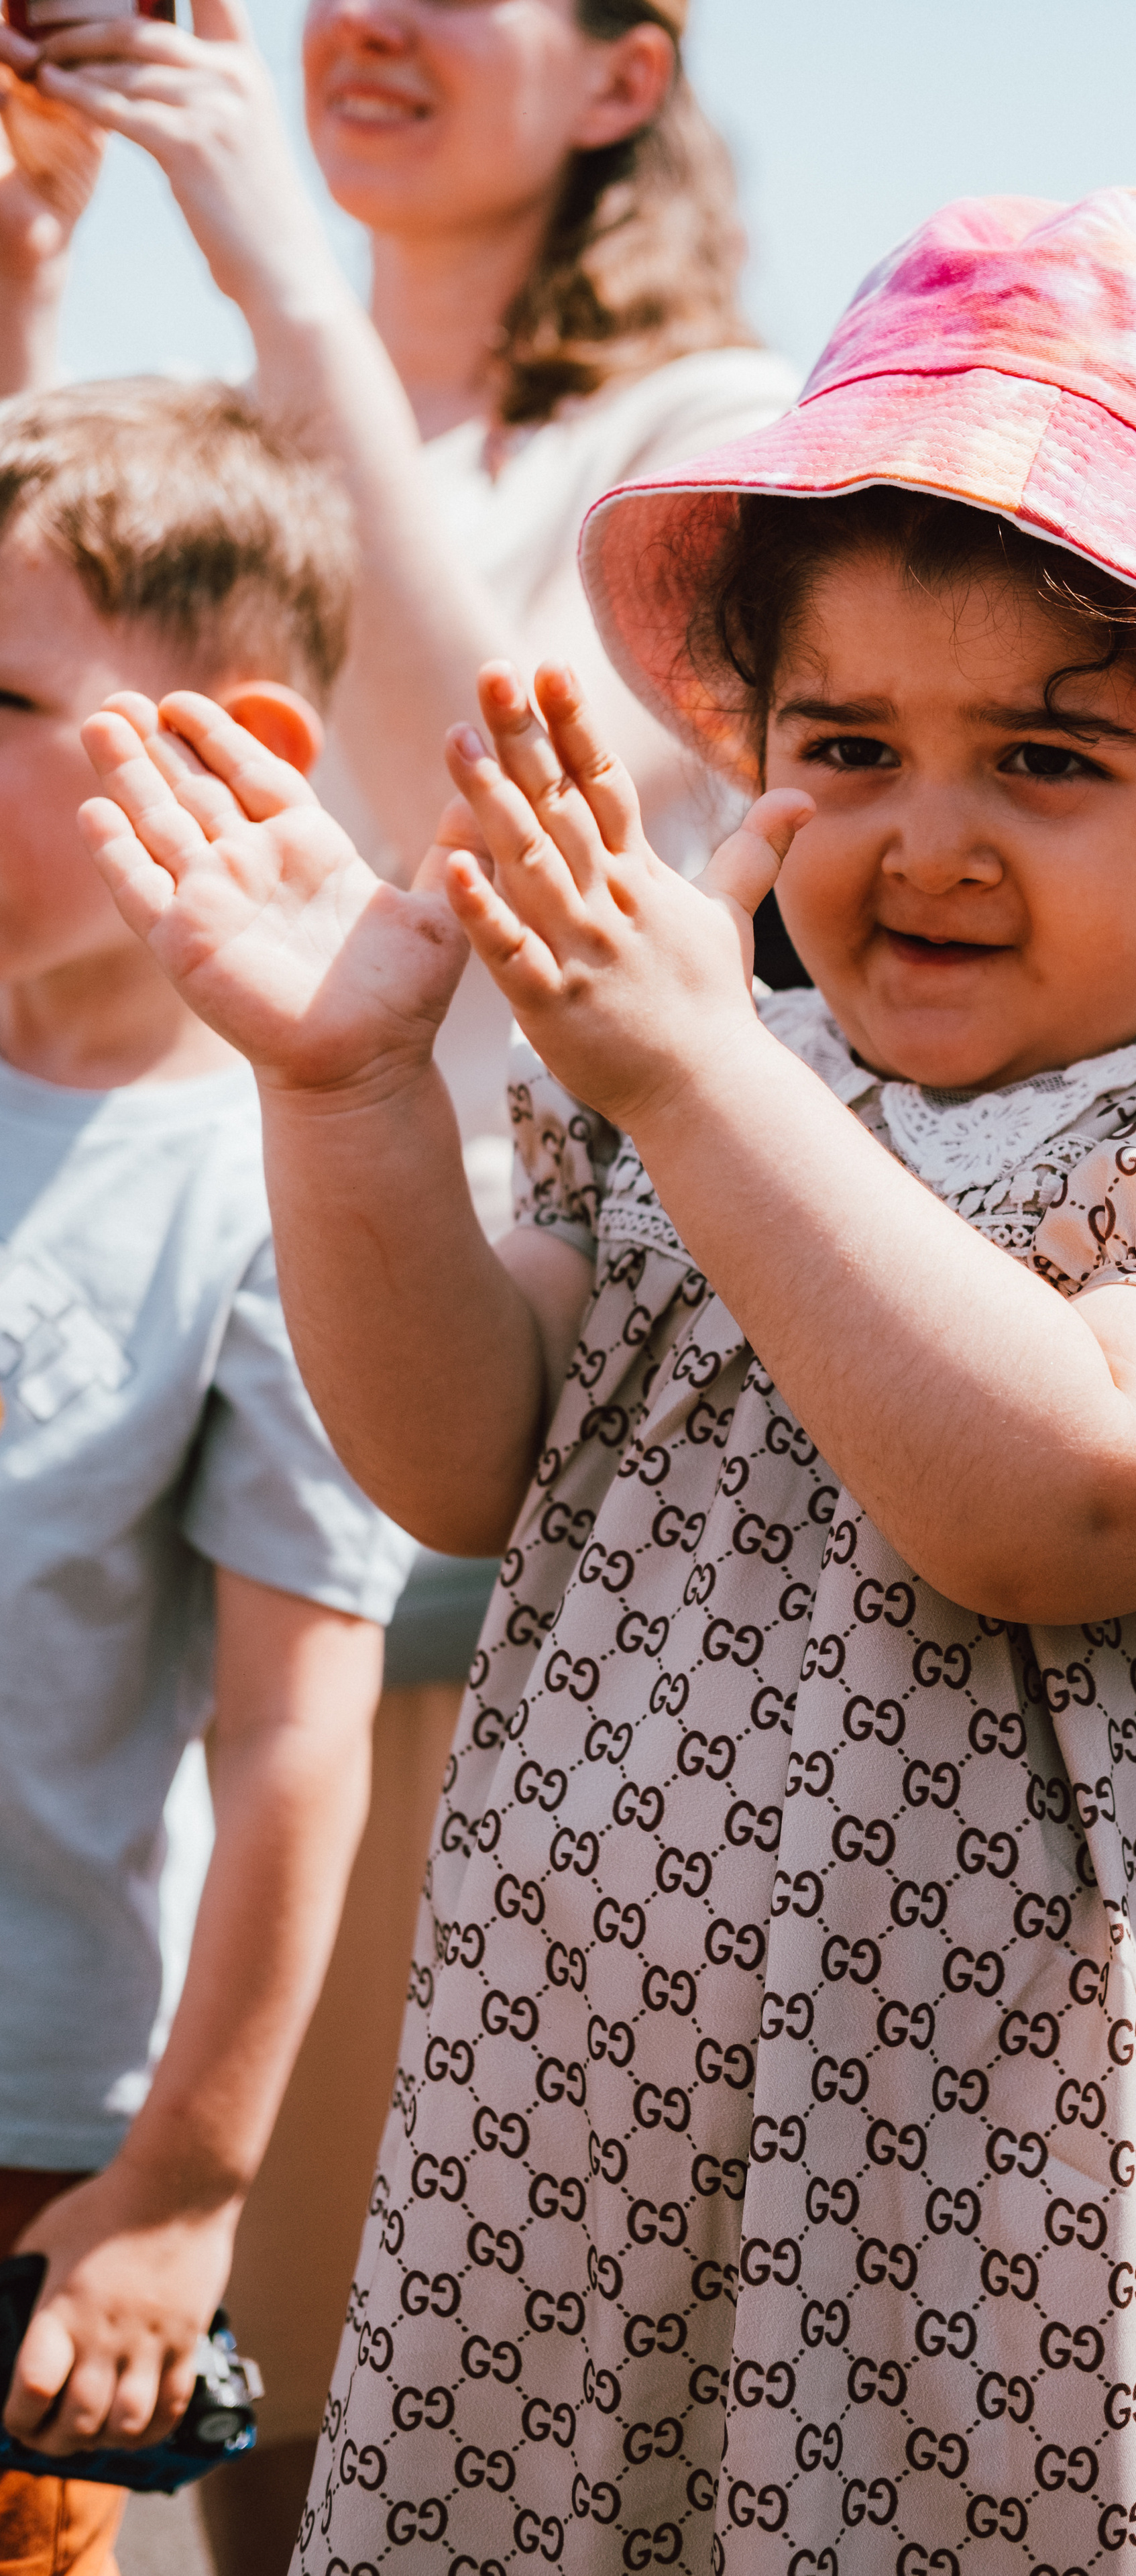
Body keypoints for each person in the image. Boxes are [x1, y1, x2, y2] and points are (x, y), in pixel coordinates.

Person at [80, 192, 1136, 2575]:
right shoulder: (705, 1095)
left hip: (1027, 2230)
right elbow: (461, 1455)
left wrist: (695, 1075)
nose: (926, 836)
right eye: (847, 744)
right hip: (573, 2180)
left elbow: (1057, 1499)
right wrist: (346, 1096)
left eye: (1047, 756)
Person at [0, 7, 797, 2545]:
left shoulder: (702, 433)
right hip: (130, 1398)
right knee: (243, 2372)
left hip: (491, 1439)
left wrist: (262, 254)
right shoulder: (215, 426)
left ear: (621, 75)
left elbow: (530, 832)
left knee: (418, 2363)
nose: (365, 21)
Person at [0, 377, 414, 2576]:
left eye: (3, 700)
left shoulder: (276, 1198)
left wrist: (180, 2188)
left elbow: (288, 1738)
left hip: (31, 2150)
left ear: (229, 755)